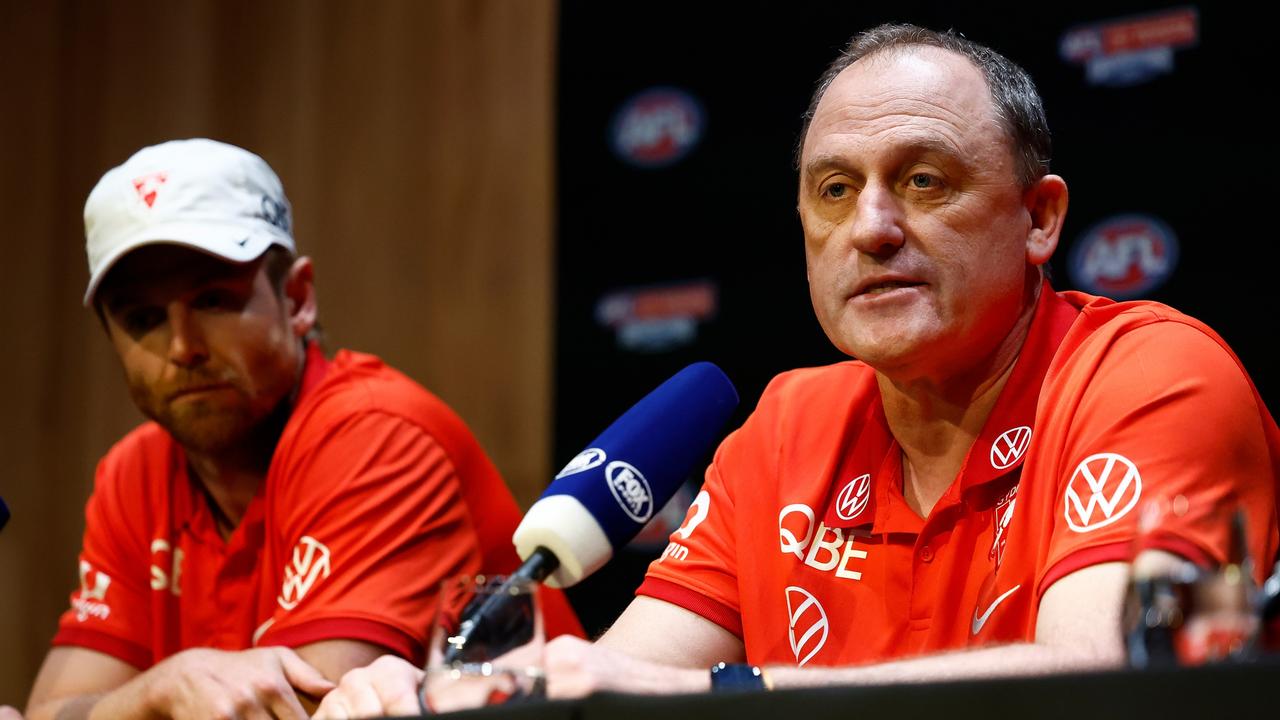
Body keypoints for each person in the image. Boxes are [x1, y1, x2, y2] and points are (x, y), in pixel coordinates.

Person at [313, 23, 1280, 717]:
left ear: (1040, 219)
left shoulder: (1150, 375)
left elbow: (1108, 679)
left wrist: (738, 693)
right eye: (833, 190)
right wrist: (455, 697)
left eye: (924, 180)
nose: (871, 227)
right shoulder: (785, 426)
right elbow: (618, 682)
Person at [23, 138, 581, 720]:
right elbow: (49, 712)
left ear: (297, 298)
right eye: (143, 319)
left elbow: (309, 713)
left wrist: (129, 706)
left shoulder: (375, 436)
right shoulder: (133, 474)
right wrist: (153, 692)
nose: (182, 347)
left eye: (214, 300)